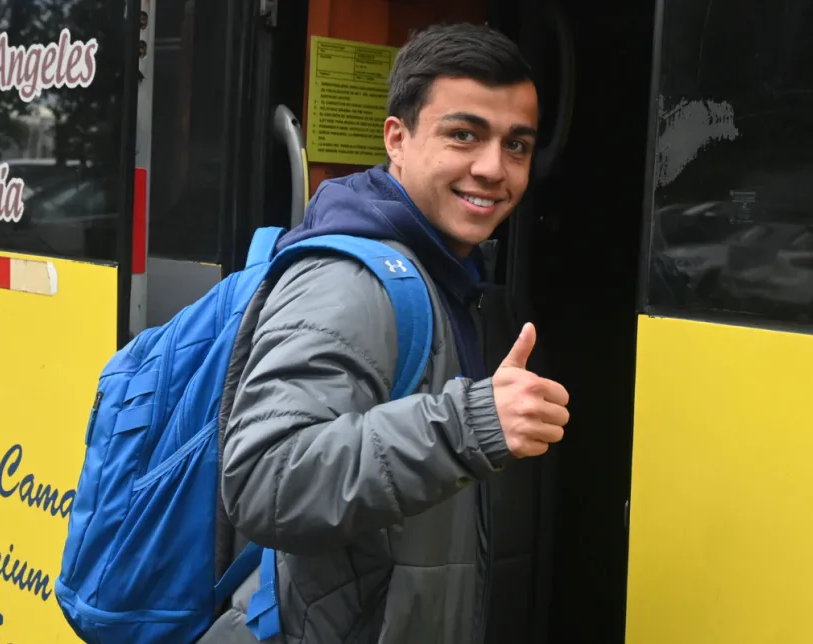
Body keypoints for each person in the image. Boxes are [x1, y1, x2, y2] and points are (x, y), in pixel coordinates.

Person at [207, 21, 570, 643]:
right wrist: (470, 425)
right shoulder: (351, 282)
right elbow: (266, 479)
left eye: (517, 146)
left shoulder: (446, 268)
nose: (493, 168)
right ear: (396, 139)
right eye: (464, 135)